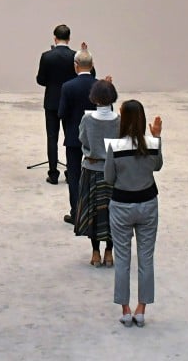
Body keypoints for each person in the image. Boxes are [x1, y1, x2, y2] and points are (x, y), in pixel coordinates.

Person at [106, 100, 163, 328]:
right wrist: (157, 137)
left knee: (122, 259)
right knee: (146, 258)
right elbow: (157, 166)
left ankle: (125, 309)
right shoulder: (151, 143)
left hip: (121, 204)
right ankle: (141, 308)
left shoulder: (115, 146)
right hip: (147, 202)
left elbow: (109, 178)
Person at [36, 25, 87, 185]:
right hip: (71, 101)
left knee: (52, 137)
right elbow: (87, 73)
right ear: (69, 38)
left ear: (55, 38)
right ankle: (71, 172)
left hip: (52, 101)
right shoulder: (75, 56)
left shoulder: (46, 56)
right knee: (71, 136)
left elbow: (40, 80)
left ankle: (53, 174)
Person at [76, 79, 118, 267]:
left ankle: (95, 252)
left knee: (93, 212)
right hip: (113, 171)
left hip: (92, 169)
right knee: (112, 212)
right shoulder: (119, 120)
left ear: (94, 97)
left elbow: (82, 138)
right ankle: (109, 252)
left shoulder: (87, 119)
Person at [58, 50, 98, 224]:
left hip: (74, 136)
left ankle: (76, 213)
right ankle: (95, 211)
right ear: (92, 65)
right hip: (95, 138)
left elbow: (62, 113)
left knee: (74, 175)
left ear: (75, 66)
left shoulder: (68, 86)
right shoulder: (99, 86)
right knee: (96, 174)